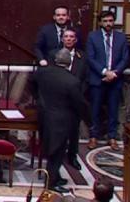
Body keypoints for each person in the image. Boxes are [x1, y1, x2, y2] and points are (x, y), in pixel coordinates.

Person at [32, 49, 90, 193]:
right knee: (56, 152)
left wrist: (38, 98)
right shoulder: (72, 81)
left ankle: (55, 177)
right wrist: (89, 120)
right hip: (61, 120)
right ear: (69, 62)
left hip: (44, 116)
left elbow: (31, 83)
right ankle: (51, 183)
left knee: (50, 147)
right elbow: (79, 103)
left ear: (55, 60)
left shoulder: (42, 72)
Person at [87, 10, 128, 150]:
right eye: (105, 21)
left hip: (115, 79)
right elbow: (91, 58)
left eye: (110, 21)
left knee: (113, 110)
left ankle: (112, 137)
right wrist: (105, 72)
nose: (108, 24)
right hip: (98, 79)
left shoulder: (121, 37)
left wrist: (114, 73)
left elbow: (125, 58)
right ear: (100, 22)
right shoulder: (93, 36)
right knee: (95, 109)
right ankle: (93, 137)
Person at [61, 28, 86, 168]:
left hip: (75, 100)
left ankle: (72, 156)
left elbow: (85, 79)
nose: (69, 39)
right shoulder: (54, 54)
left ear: (75, 40)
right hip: (59, 100)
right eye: (66, 37)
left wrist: (79, 95)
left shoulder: (82, 57)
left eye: (72, 37)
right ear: (62, 39)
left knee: (74, 130)